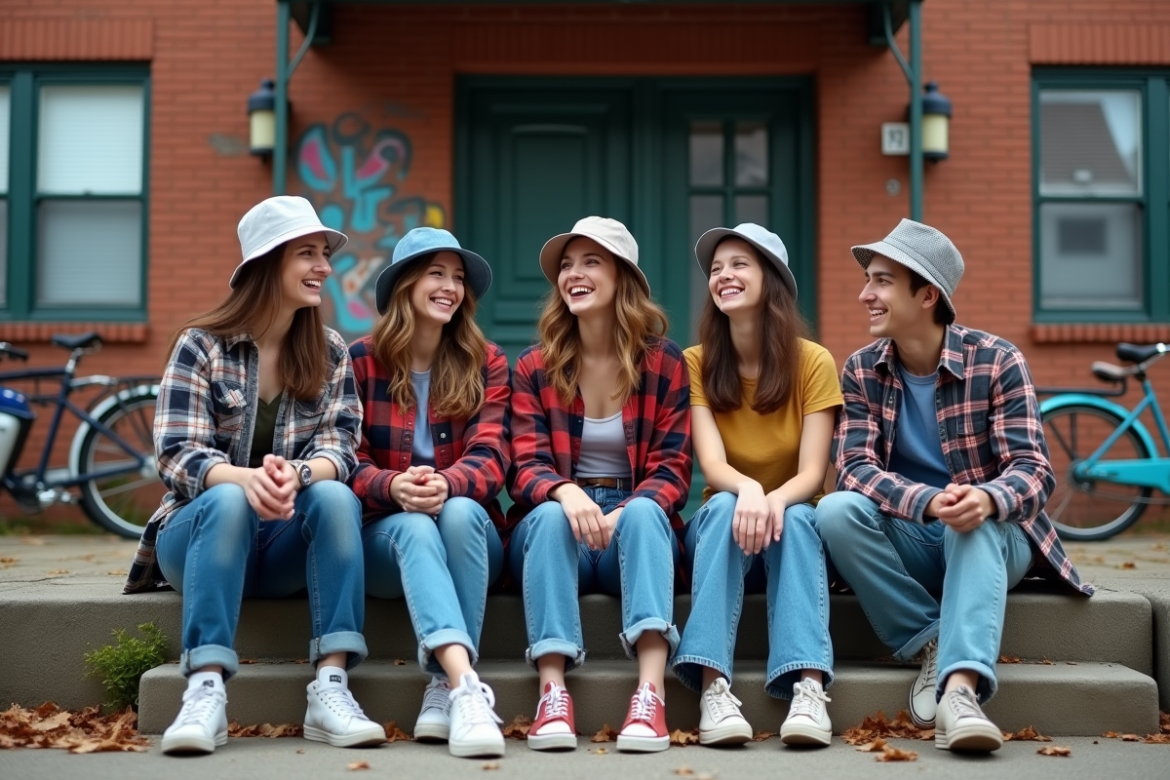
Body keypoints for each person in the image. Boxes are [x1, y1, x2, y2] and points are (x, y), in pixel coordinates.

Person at [814, 219, 1093, 753]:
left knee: (975, 520)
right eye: (868, 280)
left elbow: (1035, 472)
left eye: (881, 281)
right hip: (916, 533)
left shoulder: (998, 361)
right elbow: (852, 468)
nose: (864, 294)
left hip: (994, 540)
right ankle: (930, 639)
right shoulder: (861, 370)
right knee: (835, 510)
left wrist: (985, 497)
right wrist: (926, 502)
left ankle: (960, 694)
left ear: (926, 295)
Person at [123, 196, 385, 755]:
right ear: (268, 264)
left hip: (286, 545)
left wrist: (294, 474)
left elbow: (341, 445)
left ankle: (331, 685)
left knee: (337, 496)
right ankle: (205, 690)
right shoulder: (202, 345)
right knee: (229, 502)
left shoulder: (330, 351)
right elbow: (174, 453)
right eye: (307, 254)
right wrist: (245, 481)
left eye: (324, 254)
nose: (324, 267)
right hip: (198, 539)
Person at [507, 217, 691, 753]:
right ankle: (553, 694)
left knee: (643, 512)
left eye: (591, 262)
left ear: (621, 279)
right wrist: (567, 493)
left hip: (630, 528)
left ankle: (650, 694)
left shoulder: (664, 363)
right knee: (543, 515)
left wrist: (624, 510)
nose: (574, 274)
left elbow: (673, 469)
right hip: (559, 524)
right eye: (567, 265)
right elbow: (525, 465)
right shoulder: (535, 367)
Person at [672, 224, 842, 747]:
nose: (724, 275)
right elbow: (712, 463)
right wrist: (747, 490)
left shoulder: (812, 361)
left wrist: (769, 500)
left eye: (740, 264)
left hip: (793, 526)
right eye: (717, 268)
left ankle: (807, 689)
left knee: (797, 514)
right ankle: (713, 688)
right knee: (723, 506)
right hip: (724, 527)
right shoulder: (696, 362)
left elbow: (813, 473)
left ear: (772, 280)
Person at [349, 227, 509, 759]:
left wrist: (448, 482)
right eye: (436, 274)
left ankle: (444, 689)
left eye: (458, 277)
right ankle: (465, 686)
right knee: (416, 523)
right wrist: (392, 485)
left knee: (460, 510)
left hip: (468, 535)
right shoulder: (359, 361)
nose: (450, 287)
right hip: (386, 541)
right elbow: (344, 459)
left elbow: (493, 455)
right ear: (406, 285)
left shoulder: (485, 360)